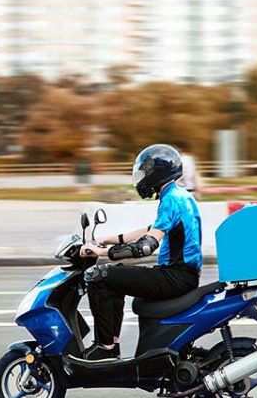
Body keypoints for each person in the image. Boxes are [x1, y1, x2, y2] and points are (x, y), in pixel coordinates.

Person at [76, 144, 202, 362]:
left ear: (157, 173)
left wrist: (102, 251)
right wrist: (108, 238)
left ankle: (106, 348)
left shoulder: (171, 199)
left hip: (175, 276)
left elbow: (146, 246)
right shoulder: (179, 195)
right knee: (115, 276)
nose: (142, 179)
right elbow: (149, 230)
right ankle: (111, 344)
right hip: (182, 275)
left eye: (145, 173)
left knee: (99, 276)